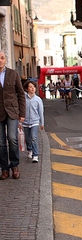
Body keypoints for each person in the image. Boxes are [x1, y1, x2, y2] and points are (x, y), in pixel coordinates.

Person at [0, 51, 26, 180]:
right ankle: (4, 169)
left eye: (2, 58)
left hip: (12, 111)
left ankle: (14, 166)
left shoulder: (13, 74)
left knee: (12, 138)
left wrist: (22, 113)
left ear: (5, 60)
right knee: (0, 143)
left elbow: (21, 94)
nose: (0, 60)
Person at [21, 81, 44, 163]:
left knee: (34, 137)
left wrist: (42, 123)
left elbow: (41, 112)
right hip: (26, 122)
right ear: (27, 89)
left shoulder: (38, 99)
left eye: (33, 86)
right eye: (30, 87)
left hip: (35, 122)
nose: (32, 88)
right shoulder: (23, 98)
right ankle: (29, 149)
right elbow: (21, 110)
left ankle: (35, 155)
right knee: (27, 139)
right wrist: (20, 122)